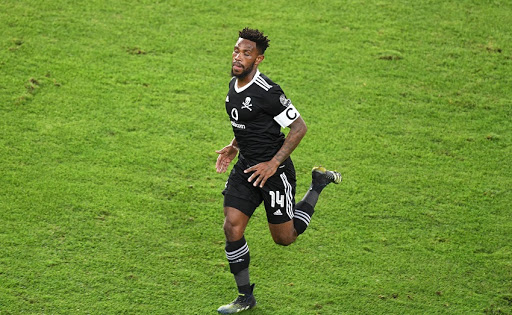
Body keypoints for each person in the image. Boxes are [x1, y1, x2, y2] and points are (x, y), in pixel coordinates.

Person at [215, 27, 342, 314]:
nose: (238, 57)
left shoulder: (268, 92)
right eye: (237, 50)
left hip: (275, 174)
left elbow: (299, 127)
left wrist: (274, 163)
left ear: (258, 60)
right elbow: (249, 123)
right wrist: (235, 145)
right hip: (247, 168)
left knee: (284, 238)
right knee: (232, 225)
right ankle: (245, 297)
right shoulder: (234, 84)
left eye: (246, 54)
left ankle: (318, 184)